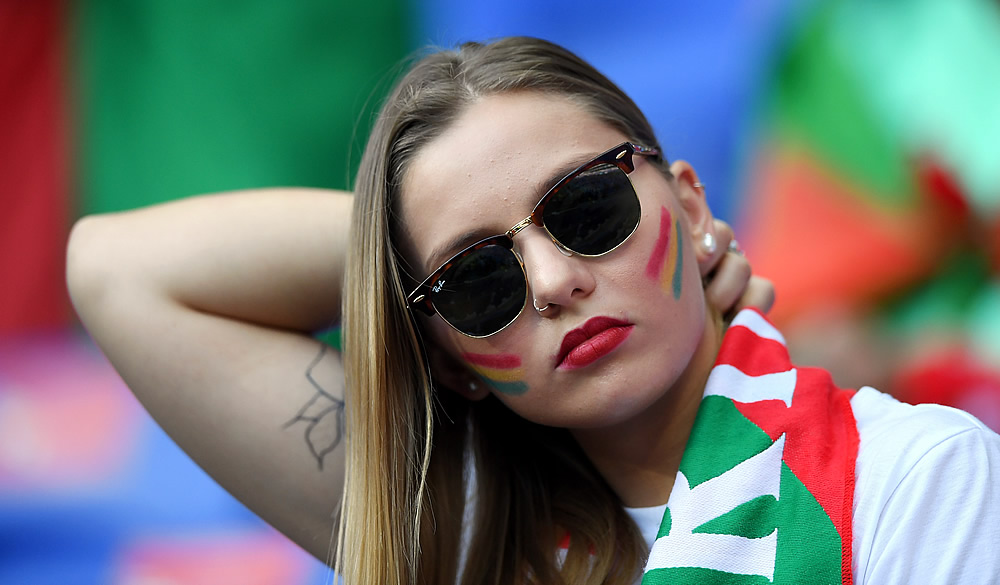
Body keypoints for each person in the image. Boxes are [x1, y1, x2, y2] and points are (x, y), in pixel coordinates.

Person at [66, 37, 999, 585]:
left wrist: (454, 242)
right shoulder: (463, 522)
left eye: (587, 209)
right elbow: (114, 269)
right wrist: (394, 252)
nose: (552, 281)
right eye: (481, 282)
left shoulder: (918, 475)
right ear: (450, 358)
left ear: (690, 202)